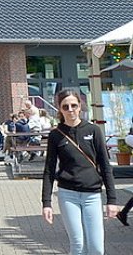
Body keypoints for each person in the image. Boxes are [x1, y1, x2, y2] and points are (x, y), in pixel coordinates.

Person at [41, 88, 116, 255]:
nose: (70, 110)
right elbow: (49, 170)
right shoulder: (56, 135)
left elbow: (105, 166)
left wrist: (112, 199)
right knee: (78, 245)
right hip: (68, 194)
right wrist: (46, 203)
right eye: (65, 106)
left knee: (96, 247)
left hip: (92, 194)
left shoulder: (93, 130)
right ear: (59, 109)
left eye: (73, 105)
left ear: (80, 106)